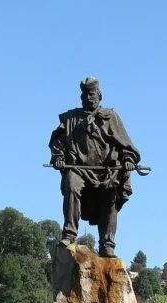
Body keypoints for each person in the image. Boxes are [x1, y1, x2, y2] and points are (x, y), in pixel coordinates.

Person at [49, 77, 141, 257]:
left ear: (99, 96)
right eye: (84, 95)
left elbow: (126, 145)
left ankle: (107, 244)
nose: (88, 98)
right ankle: (69, 234)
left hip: (106, 172)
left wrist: (128, 159)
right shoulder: (70, 118)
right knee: (71, 183)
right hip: (78, 168)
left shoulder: (110, 116)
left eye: (91, 94)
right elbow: (58, 141)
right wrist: (58, 157)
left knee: (110, 197)